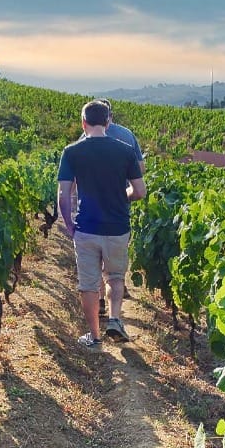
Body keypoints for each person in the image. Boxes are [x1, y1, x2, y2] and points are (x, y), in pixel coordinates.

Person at [57, 100, 146, 348]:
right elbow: (139, 191)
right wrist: (122, 194)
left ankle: (95, 337)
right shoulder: (125, 150)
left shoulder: (71, 152)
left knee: (88, 285)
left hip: (86, 227)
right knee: (115, 277)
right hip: (117, 227)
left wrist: (69, 224)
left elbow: (64, 194)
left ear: (83, 123)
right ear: (108, 122)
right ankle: (115, 319)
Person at [76, 99, 145, 318]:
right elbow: (140, 170)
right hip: (120, 205)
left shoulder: (83, 140)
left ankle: (99, 301)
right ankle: (116, 292)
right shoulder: (127, 136)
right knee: (114, 260)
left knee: (94, 256)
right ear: (109, 117)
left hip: (92, 208)